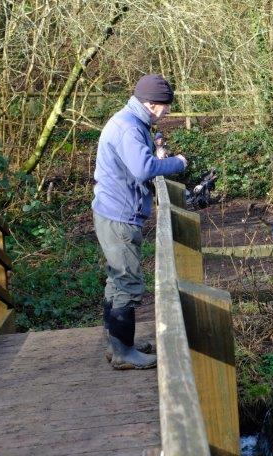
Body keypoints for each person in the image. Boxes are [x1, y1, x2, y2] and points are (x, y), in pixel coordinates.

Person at [92, 74, 188, 370]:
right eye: (165, 106)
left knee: (116, 278)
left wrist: (155, 147)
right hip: (119, 216)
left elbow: (139, 159)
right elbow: (143, 169)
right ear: (151, 104)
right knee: (128, 282)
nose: (168, 111)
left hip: (112, 210)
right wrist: (177, 163)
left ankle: (117, 344)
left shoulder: (131, 122)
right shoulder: (128, 128)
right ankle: (123, 353)